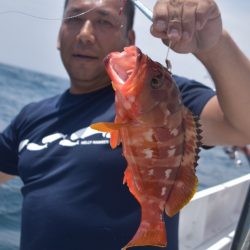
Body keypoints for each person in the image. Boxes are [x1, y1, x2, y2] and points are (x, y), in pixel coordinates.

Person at [0, 0, 250, 249]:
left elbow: (243, 125)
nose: (85, 34)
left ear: (129, 40)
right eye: (74, 18)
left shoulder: (169, 98)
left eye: (104, 21)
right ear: (59, 34)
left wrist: (216, 45)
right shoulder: (29, 118)